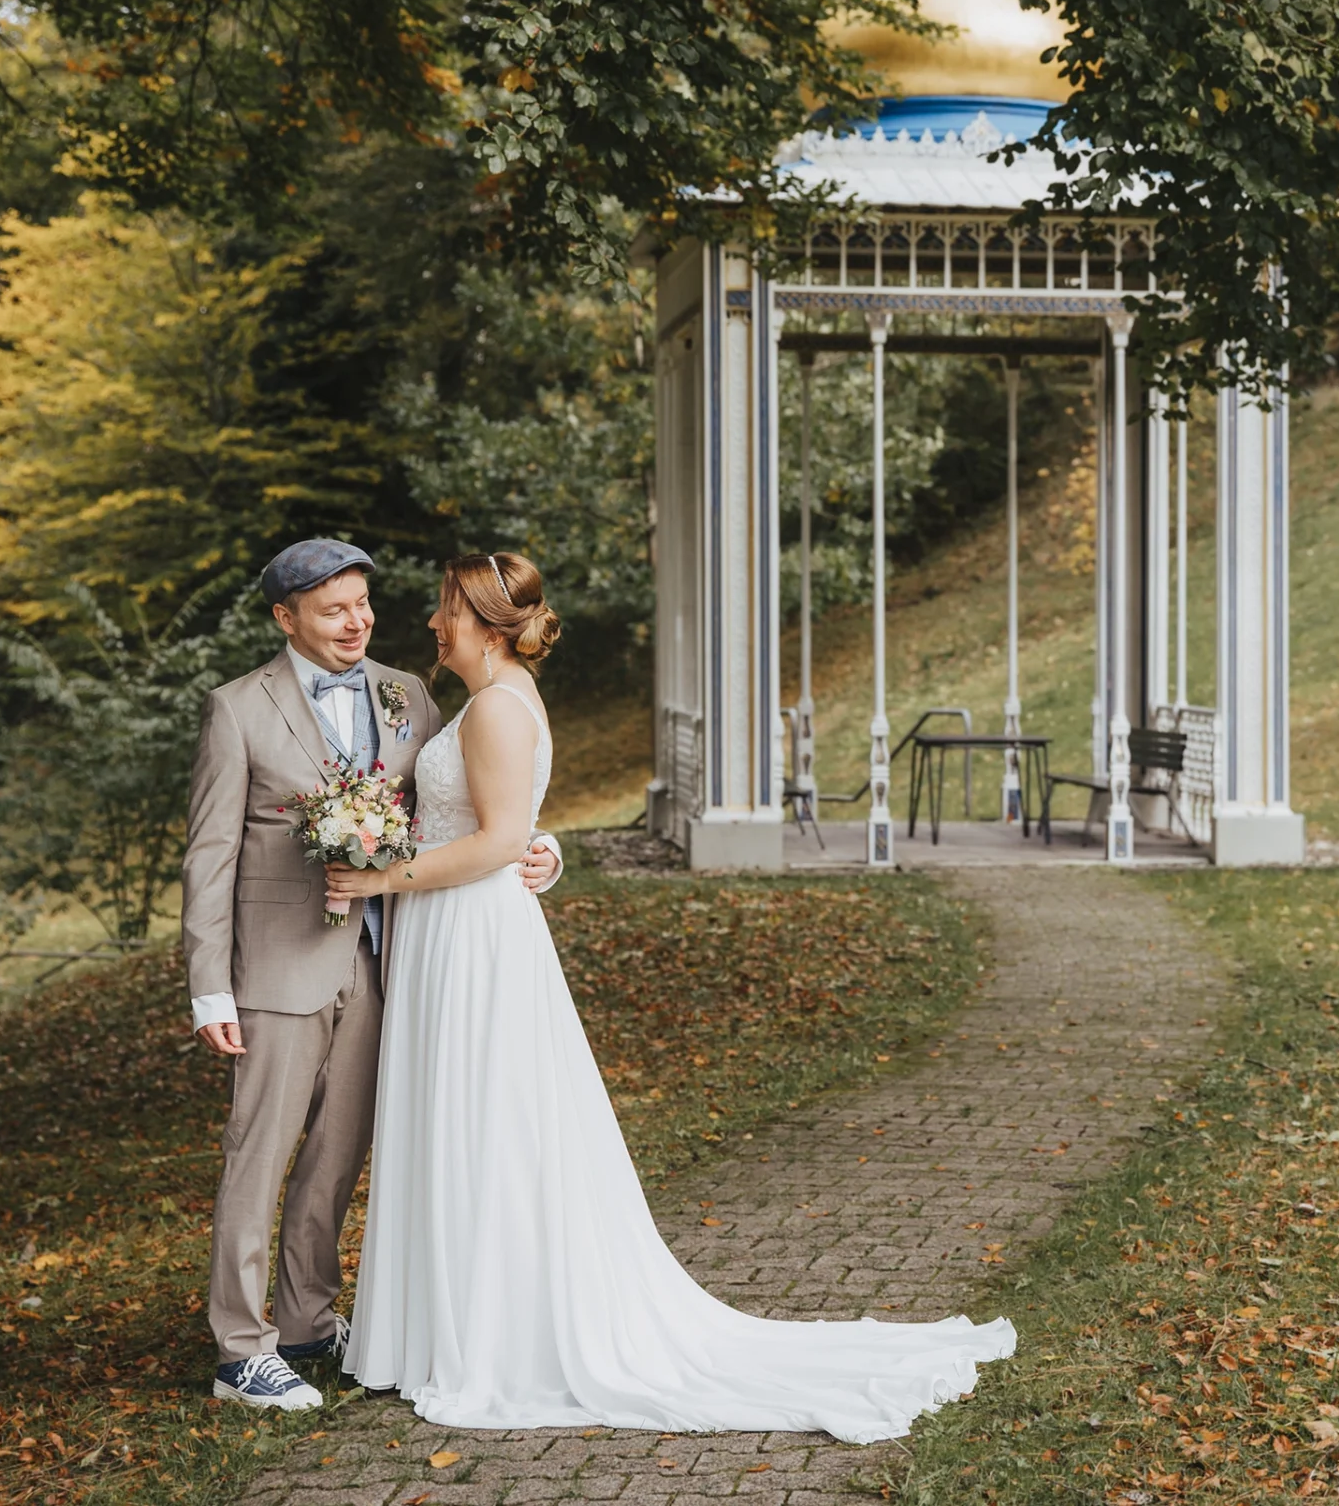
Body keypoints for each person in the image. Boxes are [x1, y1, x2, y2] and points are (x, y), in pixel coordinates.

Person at [333, 552, 1013, 1438]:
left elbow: (502, 841)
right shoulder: (485, 704)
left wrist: (380, 877)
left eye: (447, 609)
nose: (432, 622)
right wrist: (526, 853)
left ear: (490, 622)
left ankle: (490, 1334)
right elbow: (518, 832)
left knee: (486, 1123)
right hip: (449, 929)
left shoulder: (498, 707)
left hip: (471, 933)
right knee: (462, 1118)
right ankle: (438, 1323)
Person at [181, 539, 565, 1411]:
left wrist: (539, 844)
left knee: (339, 1155)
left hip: (393, 959)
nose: (356, 622)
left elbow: (466, 800)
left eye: (362, 604)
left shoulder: (409, 694)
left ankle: (308, 1322)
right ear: (286, 618)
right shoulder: (237, 710)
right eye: (332, 610)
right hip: (277, 970)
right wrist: (211, 985)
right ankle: (241, 1349)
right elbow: (208, 858)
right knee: (260, 1155)